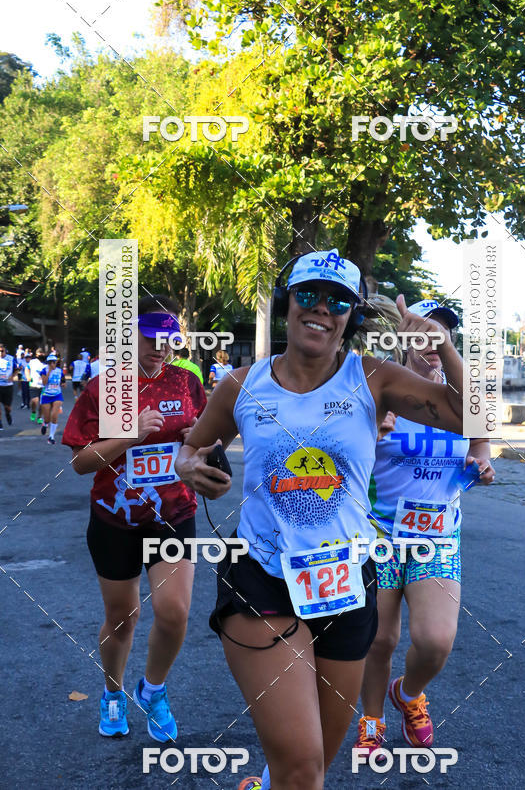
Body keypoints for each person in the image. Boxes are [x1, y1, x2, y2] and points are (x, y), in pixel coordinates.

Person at [174, 249, 465, 790]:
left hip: (346, 583)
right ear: (289, 303)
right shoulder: (241, 385)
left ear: (350, 316)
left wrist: (442, 347)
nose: (321, 309)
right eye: (308, 294)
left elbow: (469, 415)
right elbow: (190, 449)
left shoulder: (374, 379)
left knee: (313, 767)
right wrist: (193, 468)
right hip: (260, 574)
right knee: (304, 769)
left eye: (337, 302)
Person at [354, 296, 495, 756]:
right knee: (380, 637)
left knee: (435, 641)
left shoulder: (463, 399)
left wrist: (482, 463)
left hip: (437, 536)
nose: (432, 341)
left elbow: (480, 441)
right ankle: (371, 720)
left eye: (442, 332)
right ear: (403, 336)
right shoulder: (385, 389)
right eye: (423, 331)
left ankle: (409, 693)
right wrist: (370, 430)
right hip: (379, 533)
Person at [62, 295, 207, 741]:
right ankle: (112, 693)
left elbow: (207, 439)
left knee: (175, 612)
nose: (160, 347)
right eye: (151, 338)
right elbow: (81, 463)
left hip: (174, 513)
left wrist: (197, 440)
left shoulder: (187, 382)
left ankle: (154, 689)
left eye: (169, 340)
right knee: (123, 616)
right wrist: (126, 435)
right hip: (115, 520)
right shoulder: (103, 388)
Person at [39, 354, 66, 444]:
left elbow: (63, 380)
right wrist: (49, 371)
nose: (52, 364)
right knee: (47, 418)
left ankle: (51, 437)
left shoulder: (60, 371)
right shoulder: (44, 370)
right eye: (50, 363)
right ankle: (45, 423)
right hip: (46, 395)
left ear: (56, 362)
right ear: (47, 363)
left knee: (54, 415)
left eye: (53, 362)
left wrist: (63, 384)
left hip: (57, 395)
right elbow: (44, 383)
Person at [0, 341, 18, 430]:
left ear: (5, 351)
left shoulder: (11, 359)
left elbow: (17, 369)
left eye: (2, 351)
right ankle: (0, 423)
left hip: (8, 386)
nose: (0, 353)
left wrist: (13, 376)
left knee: (7, 407)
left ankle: (7, 414)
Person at [26, 348, 46, 424]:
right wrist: (28, 376)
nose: (42, 355)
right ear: (37, 355)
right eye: (40, 354)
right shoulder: (32, 362)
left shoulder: (46, 363)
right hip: (33, 384)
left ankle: (40, 417)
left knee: (42, 402)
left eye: (43, 353)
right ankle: (33, 411)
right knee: (35, 401)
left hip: (43, 385)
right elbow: (27, 369)